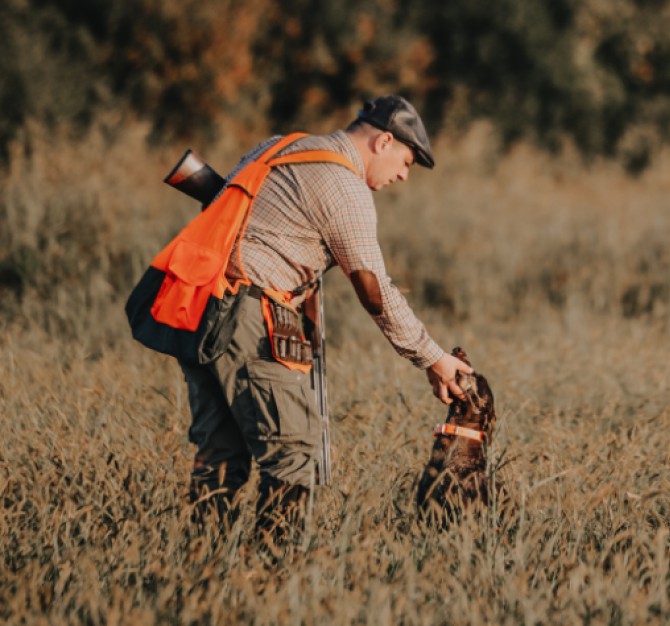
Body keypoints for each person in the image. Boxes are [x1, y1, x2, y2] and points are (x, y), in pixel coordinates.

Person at [180, 95, 473, 537]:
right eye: (406, 161)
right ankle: (275, 576)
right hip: (250, 318)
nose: (403, 176)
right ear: (384, 142)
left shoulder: (279, 145)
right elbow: (375, 293)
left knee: (220, 454)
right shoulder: (344, 186)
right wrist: (433, 358)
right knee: (295, 455)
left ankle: (196, 567)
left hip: (202, 309)